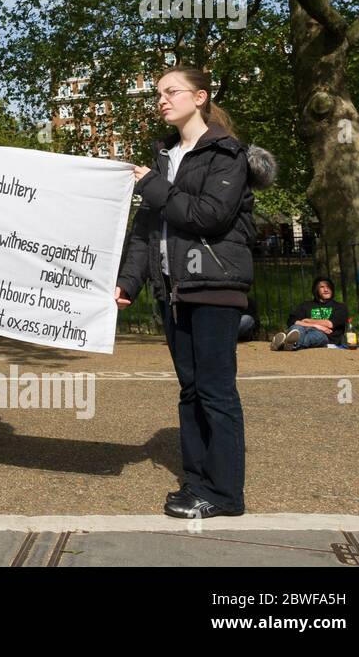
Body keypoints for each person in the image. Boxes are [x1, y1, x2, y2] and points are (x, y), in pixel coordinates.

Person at [115, 65, 277, 519]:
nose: (161, 99)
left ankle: (225, 495)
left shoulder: (226, 154)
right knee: (190, 390)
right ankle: (197, 483)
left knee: (215, 391)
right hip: (174, 292)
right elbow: (145, 232)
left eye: (172, 91)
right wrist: (129, 281)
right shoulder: (166, 157)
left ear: (200, 96)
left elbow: (208, 216)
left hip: (214, 287)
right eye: (159, 92)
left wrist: (150, 184)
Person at [272, 277, 349, 350]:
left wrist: (307, 320)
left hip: (325, 336)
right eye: (322, 287)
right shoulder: (305, 305)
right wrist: (316, 325)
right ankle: (291, 344)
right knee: (297, 328)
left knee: (314, 335)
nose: (326, 289)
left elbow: (330, 324)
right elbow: (292, 321)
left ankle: (285, 344)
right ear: (316, 290)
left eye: (328, 287)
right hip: (305, 330)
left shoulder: (340, 307)